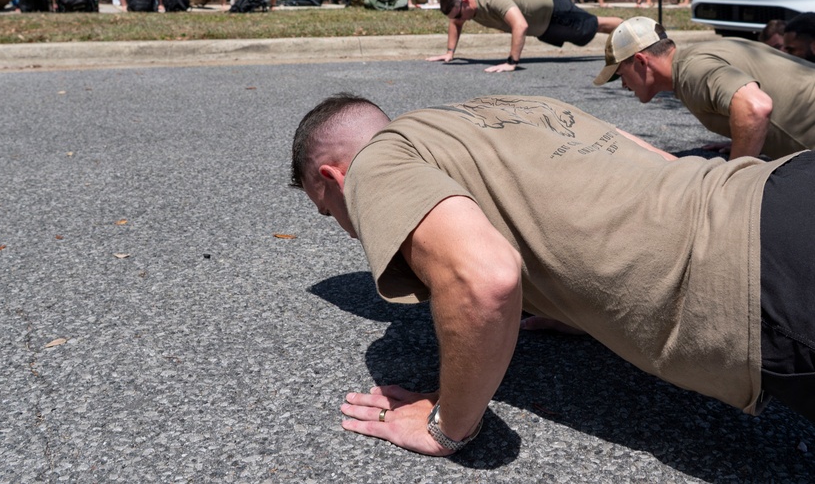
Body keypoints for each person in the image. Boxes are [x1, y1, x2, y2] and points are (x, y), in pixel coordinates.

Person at [290, 92, 814, 456]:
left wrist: (446, 426)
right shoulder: (509, 109)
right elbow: (654, 163)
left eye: (329, 210)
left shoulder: (373, 163)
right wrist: (576, 302)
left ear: (333, 178)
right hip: (781, 185)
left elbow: (485, 281)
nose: (349, 229)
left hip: (758, 272)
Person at [593, 16, 815, 159]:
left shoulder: (691, 70)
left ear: (641, 61)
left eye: (621, 74)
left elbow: (755, 109)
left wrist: (735, 179)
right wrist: (745, 140)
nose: (623, 85)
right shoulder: (697, 56)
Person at [430, 0, 622, 71]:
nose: (458, 20)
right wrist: (449, 52)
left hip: (554, 9)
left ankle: (632, 31)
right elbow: (455, 23)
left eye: (458, 14)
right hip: (543, 25)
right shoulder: (466, 8)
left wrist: (511, 62)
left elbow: (520, 26)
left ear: (465, 1)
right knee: (585, 36)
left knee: (595, 25)